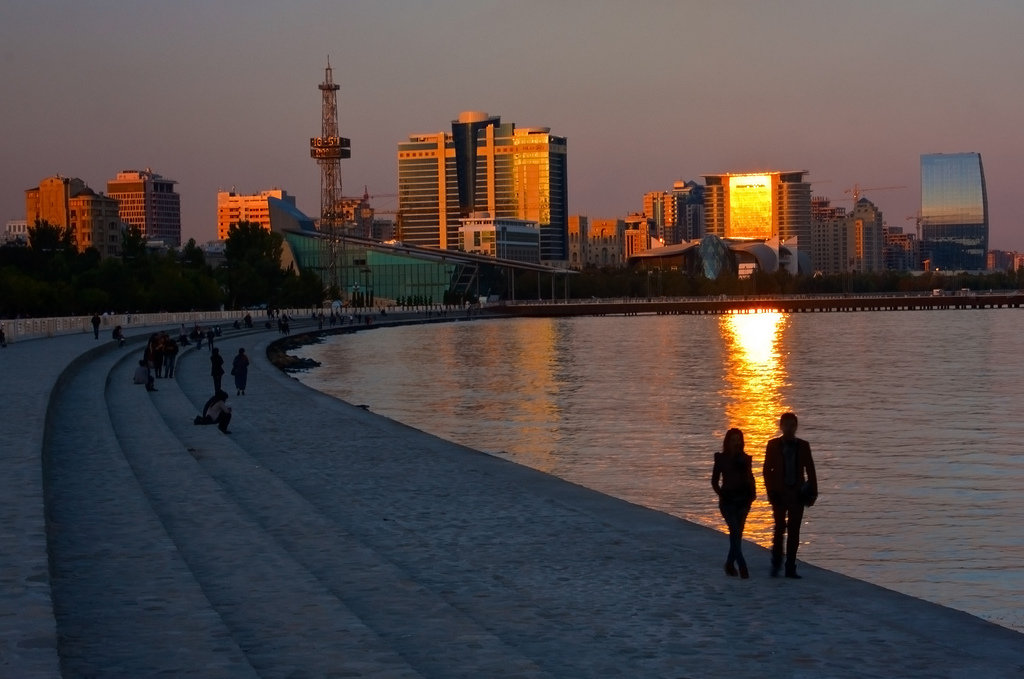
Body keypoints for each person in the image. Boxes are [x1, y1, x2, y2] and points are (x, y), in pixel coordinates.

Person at [763, 412, 818, 579]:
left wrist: (813, 493)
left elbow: (810, 470)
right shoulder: (773, 445)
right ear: (781, 426)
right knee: (779, 529)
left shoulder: (803, 446)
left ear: (796, 427)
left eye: (792, 425)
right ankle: (776, 563)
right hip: (779, 494)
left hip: (797, 495)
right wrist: (771, 491)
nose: (789, 428)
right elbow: (767, 470)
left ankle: (790, 567)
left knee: (794, 531)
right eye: (786, 425)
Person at [712, 428, 756, 579]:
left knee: (737, 534)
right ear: (727, 442)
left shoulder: (745, 459)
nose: (736, 443)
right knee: (735, 530)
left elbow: (751, 478)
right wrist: (722, 494)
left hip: (743, 501)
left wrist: (752, 496)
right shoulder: (721, 459)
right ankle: (742, 566)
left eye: (738, 440)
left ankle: (730, 564)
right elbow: (714, 481)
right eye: (733, 440)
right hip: (727, 501)